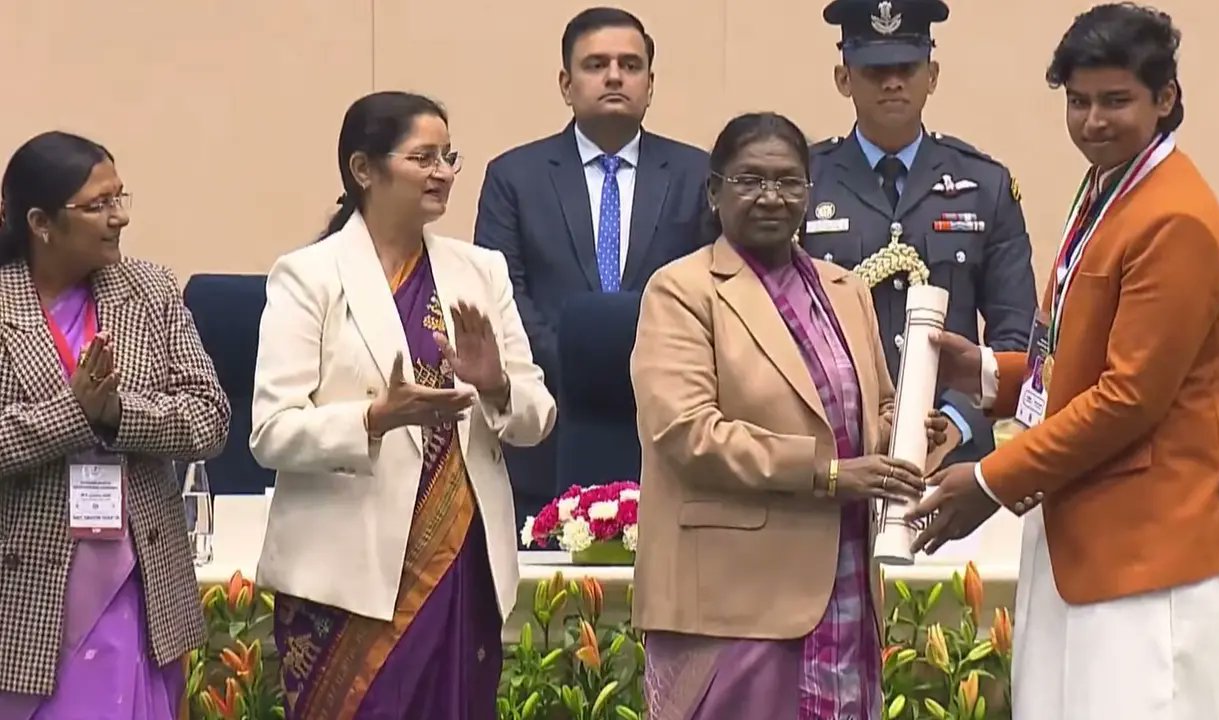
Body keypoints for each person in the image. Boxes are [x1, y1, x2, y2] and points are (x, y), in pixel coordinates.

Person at [909, 5, 1219, 719]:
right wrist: (986, 374)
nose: (1093, 121)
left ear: (1165, 99)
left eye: (1115, 101)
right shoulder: (1106, 188)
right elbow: (1074, 355)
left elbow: (1130, 398)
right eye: (1078, 101)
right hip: (1083, 534)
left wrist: (988, 480)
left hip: (1151, 554)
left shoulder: (1175, 216)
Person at [631, 112, 948, 720]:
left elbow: (873, 407)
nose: (771, 197)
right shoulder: (681, 291)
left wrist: (910, 433)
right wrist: (831, 475)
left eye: (788, 182)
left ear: (809, 192)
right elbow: (688, 433)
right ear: (715, 192)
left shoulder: (844, 288)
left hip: (845, 580)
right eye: (749, 181)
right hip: (733, 600)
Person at [250, 91, 556, 719]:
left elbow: (537, 415)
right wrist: (372, 419)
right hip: (345, 580)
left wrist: (497, 386)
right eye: (424, 157)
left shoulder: (480, 271)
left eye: (449, 157)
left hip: (459, 564)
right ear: (365, 169)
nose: (443, 171)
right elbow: (271, 432)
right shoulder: (309, 276)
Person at [0, 132, 230, 718]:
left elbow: (210, 417)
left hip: (142, 583)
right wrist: (71, 415)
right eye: (99, 205)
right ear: (41, 222)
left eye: (121, 198)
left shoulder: (148, 290)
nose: (119, 218)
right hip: (27, 597)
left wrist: (117, 414)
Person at [475, 6, 715, 522]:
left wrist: (650, 370)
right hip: (547, 427)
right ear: (566, 84)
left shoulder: (698, 174)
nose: (614, 76)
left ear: (650, 84)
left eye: (630, 65)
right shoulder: (514, 177)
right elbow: (506, 295)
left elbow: (713, 291)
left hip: (670, 430)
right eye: (596, 64)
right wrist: (584, 368)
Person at [803, 0, 1037, 468]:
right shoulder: (805, 181)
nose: (892, 82)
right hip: (839, 449)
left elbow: (1018, 334)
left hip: (955, 456)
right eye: (874, 70)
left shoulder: (983, 185)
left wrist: (959, 420)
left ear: (931, 75)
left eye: (907, 68)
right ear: (843, 79)